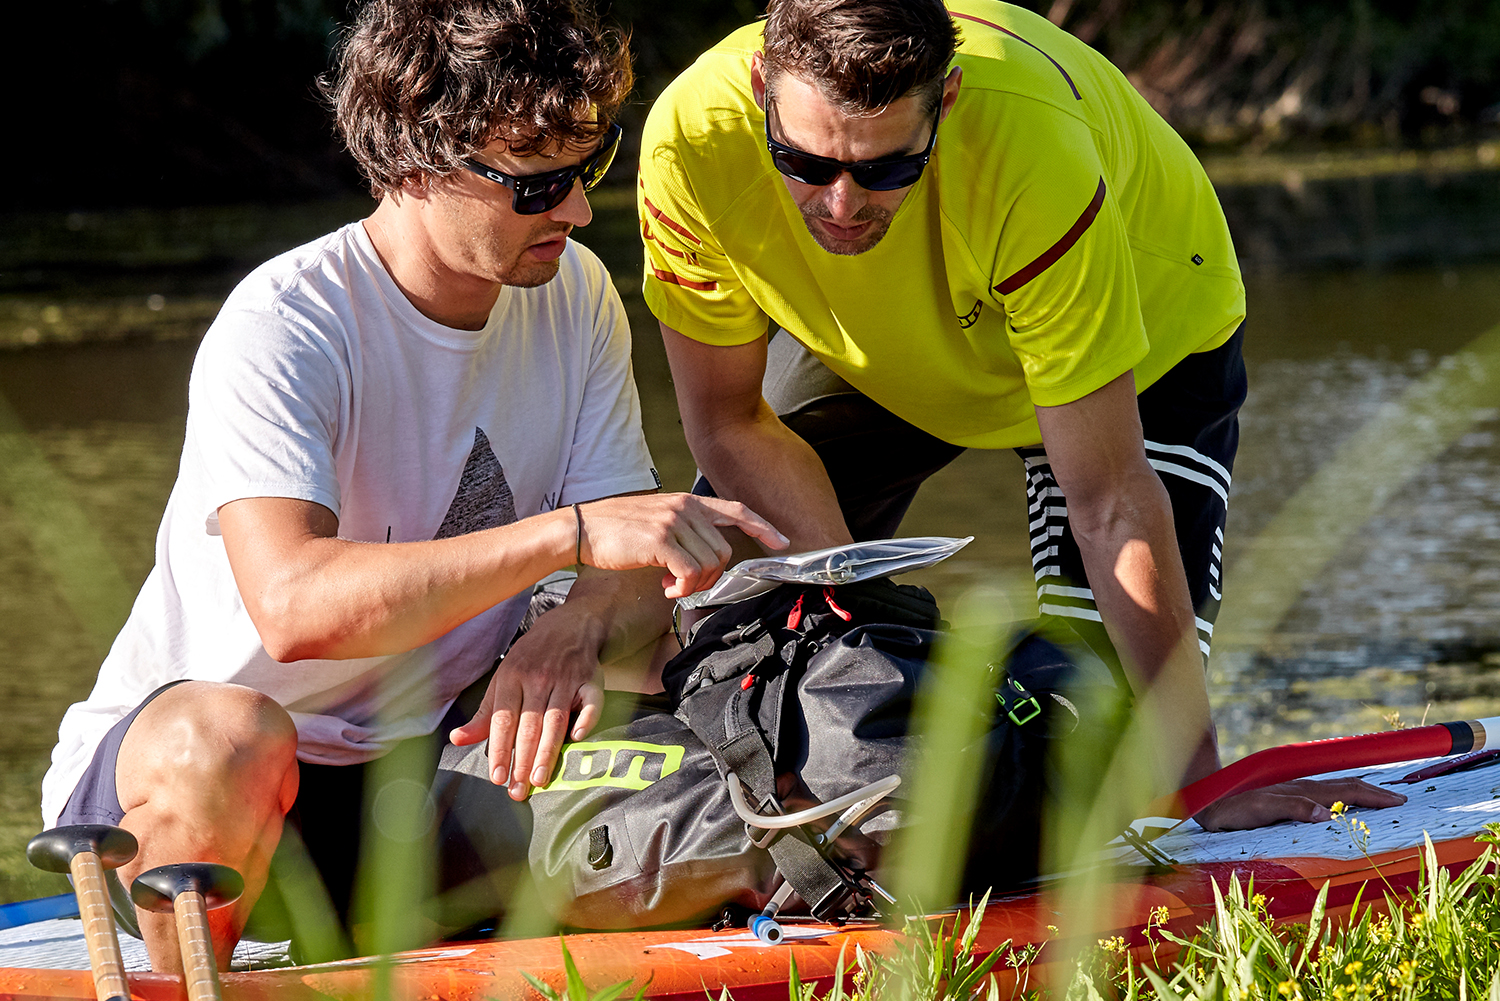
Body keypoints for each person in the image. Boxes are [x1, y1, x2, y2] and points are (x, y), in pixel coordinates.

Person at [39, 0, 785, 972]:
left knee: (721, 762)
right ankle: (189, 972)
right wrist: (565, 537)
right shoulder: (285, 325)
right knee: (232, 736)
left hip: (434, 760)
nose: (571, 209)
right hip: (212, 774)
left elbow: (631, 562)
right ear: (419, 160)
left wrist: (570, 626)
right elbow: (295, 607)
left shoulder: (577, 295)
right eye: (539, 181)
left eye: (588, 169)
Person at [637, 0, 1401, 832]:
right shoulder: (690, 140)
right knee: (736, 625)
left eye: (888, 167)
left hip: (1143, 330)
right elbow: (728, 420)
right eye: (805, 162)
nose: (843, 205)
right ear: (759, 89)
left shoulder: (1032, 154)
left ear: (949, 99)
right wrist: (853, 623)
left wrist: (1194, 778)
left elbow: (1108, 497)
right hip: (883, 347)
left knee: (1100, 757)